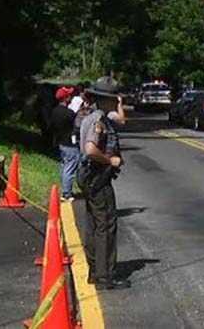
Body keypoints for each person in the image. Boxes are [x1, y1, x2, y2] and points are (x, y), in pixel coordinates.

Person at [78, 76, 130, 290]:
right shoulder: (99, 121)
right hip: (98, 177)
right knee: (106, 225)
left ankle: (95, 269)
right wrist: (111, 160)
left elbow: (121, 119)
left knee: (93, 224)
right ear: (106, 99)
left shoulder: (95, 116)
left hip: (90, 177)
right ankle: (105, 274)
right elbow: (91, 149)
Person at [50, 86, 79, 201]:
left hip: (60, 142)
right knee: (70, 167)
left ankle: (65, 189)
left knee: (64, 166)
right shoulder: (69, 113)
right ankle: (66, 193)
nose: (71, 97)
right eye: (69, 95)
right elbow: (76, 126)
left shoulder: (54, 111)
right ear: (65, 98)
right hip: (69, 143)